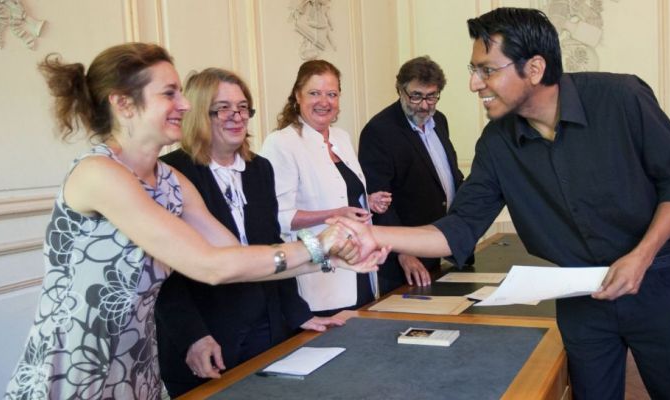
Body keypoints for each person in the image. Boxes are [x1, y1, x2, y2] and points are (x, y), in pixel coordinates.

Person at [337, 7, 670, 400]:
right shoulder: (496, 144)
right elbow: (457, 229)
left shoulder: (622, 97)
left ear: (534, 68)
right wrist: (372, 235)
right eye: (473, 69)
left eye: (486, 70)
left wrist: (641, 256)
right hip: (580, 297)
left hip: (658, 284)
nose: (472, 84)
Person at [3, 43, 385, 400]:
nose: (185, 104)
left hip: (137, 362)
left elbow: (241, 260)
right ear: (123, 103)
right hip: (77, 364)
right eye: (169, 93)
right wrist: (319, 244)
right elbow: (210, 266)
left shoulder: (171, 181)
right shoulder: (98, 174)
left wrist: (331, 256)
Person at [155, 68, 346, 397]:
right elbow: (165, 277)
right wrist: (193, 336)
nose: (236, 117)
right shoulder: (171, 173)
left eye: (243, 107)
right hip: (208, 334)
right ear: (200, 113)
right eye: (223, 108)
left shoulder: (260, 169)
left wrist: (298, 312)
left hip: (266, 325)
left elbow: (274, 247)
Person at [261, 60, 392, 317]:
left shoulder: (342, 137)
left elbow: (341, 192)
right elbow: (279, 216)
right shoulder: (282, 143)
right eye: (314, 93)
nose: (324, 101)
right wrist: (334, 213)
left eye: (331, 94)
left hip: (358, 267)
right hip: (318, 273)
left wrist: (367, 200)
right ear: (297, 96)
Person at [358, 56, 466, 293]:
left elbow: (450, 176)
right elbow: (380, 203)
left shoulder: (439, 120)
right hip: (404, 260)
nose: (424, 105)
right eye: (415, 96)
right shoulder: (379, 131)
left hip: (439, 245)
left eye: (431, 96)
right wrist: (404, 252)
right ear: (400, 90)